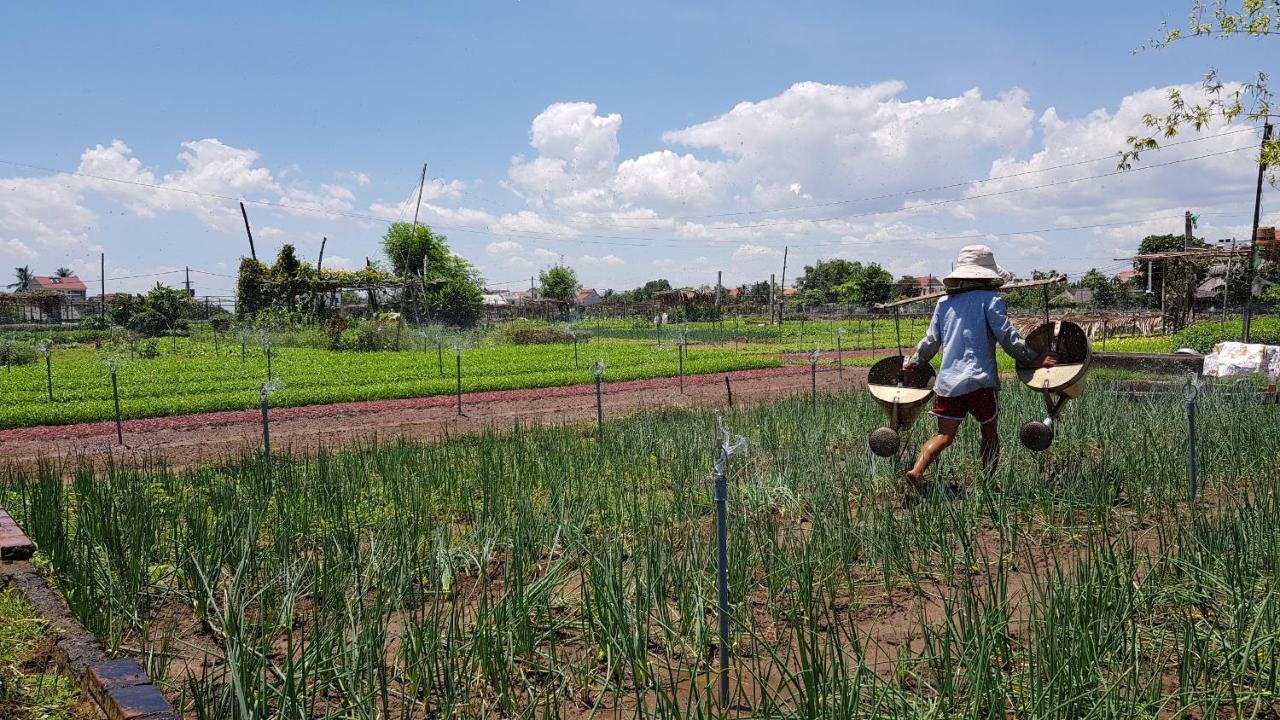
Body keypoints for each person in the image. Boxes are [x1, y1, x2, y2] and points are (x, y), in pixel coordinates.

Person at [902, 245, 1056, 499]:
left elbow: (930, 341)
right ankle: (987, 484)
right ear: (986, 275)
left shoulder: (944, 303)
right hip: (980, 382)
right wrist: (1034, 358)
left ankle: (917, 471)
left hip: (949, 383)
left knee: (944, 435)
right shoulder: (991, 300)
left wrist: (914, 361)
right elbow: (1007, 337)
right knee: (989, 433)